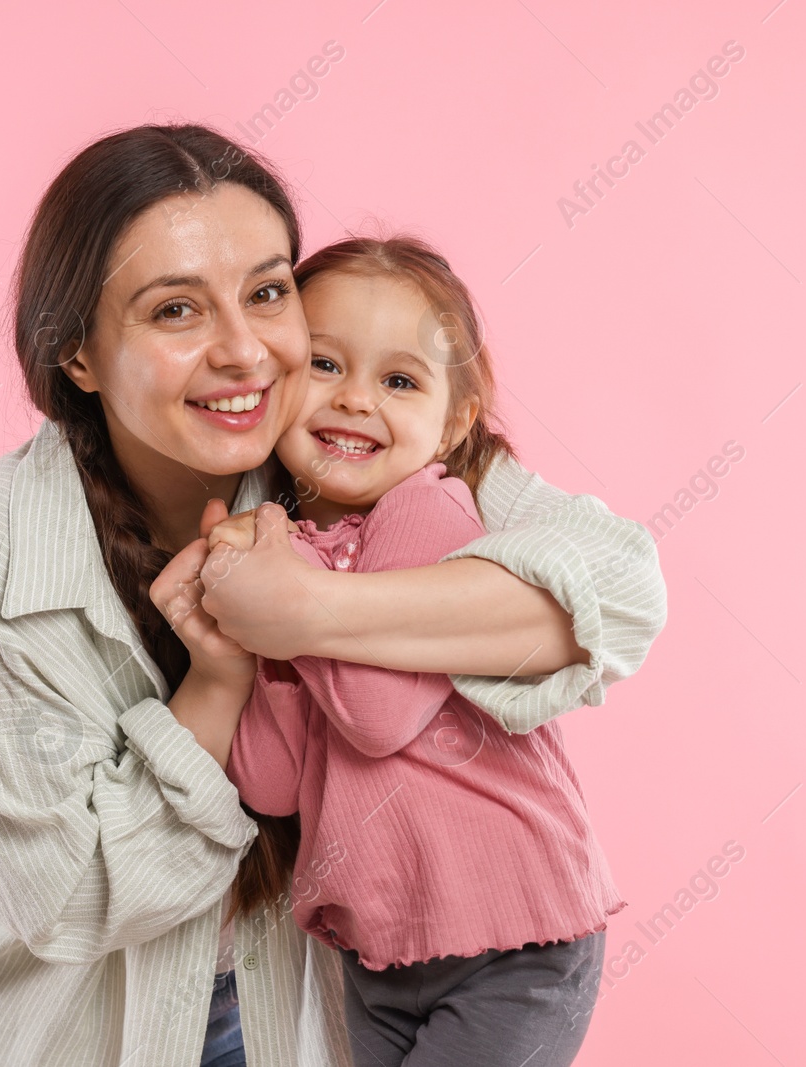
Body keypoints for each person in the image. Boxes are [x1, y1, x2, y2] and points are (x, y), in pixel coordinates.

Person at [0, 123, 667, 1067]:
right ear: (80, 357)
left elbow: (618, 590)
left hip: (261, 1013)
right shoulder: (3, 552)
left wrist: (310, 614)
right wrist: (216, 683)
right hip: (14, 1029)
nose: (243, 352)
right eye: (175, 310)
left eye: (266, 293)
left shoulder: (342, 450)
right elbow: (81, 896)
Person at [206, 235, 617, 1066]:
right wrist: (256, 640)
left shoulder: (428, 512)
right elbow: (271, 784)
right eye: (325, 365)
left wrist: (287, 605)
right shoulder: (301, 552)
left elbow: (377, 715)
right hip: (383, 953)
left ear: (452, 421)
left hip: (513, 946)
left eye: (399, 381)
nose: (356, 399)